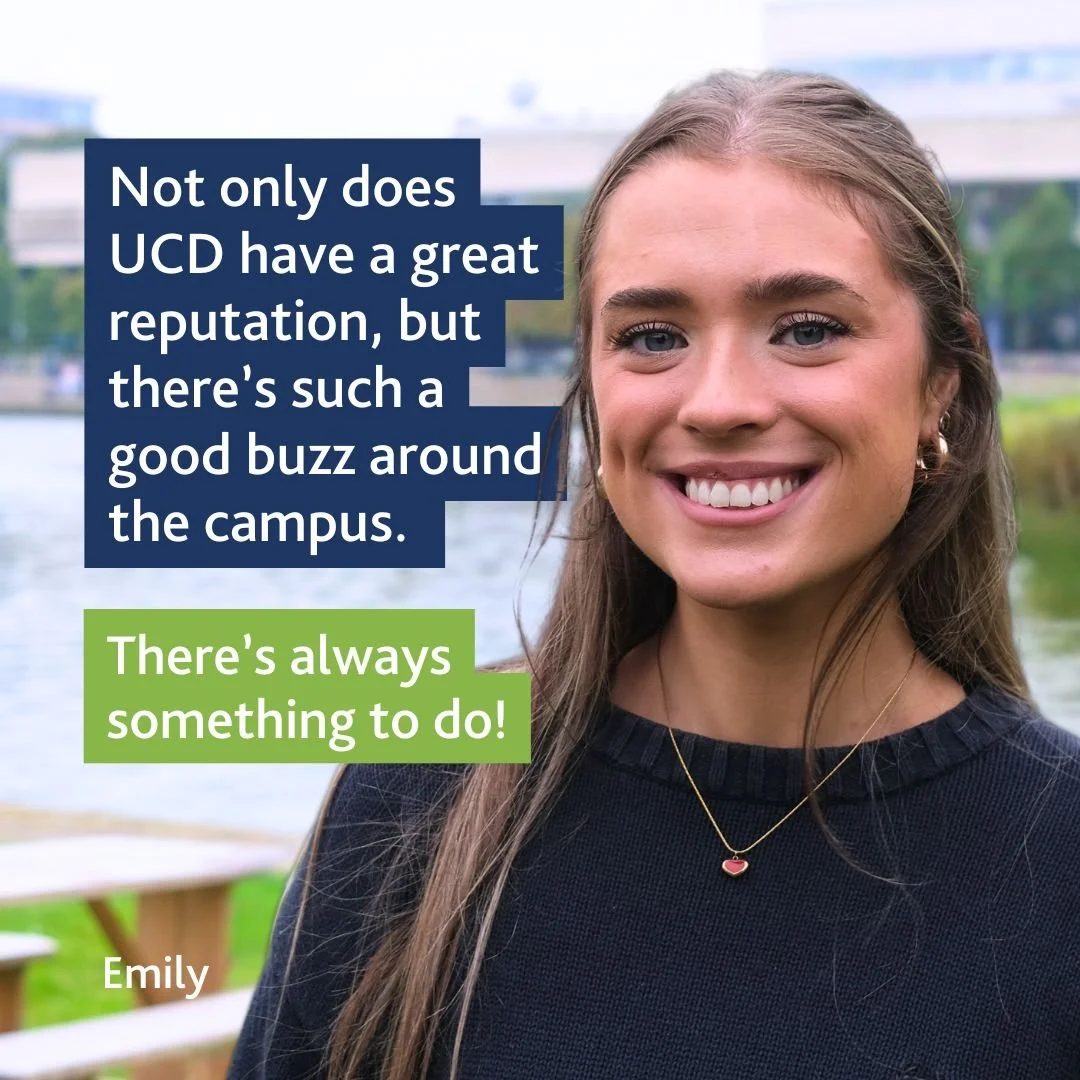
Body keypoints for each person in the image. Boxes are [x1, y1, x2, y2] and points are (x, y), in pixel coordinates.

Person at [228, 69, 1080, 1080]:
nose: (717, 402)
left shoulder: (1059, 852)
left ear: (941, 381)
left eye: (807, 328)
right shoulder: (420, 783)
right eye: (653, 337)